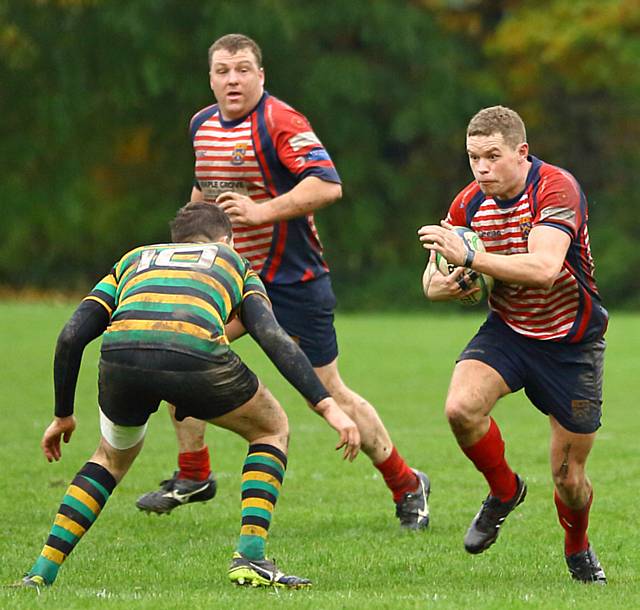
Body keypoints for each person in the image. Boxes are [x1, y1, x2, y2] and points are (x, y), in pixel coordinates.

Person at [135, 33, 431, 530]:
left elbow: (328, 184)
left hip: (293, 282)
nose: (233, 79)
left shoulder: (281, 121)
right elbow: (201, 194)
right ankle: (194, 475)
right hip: (230, 279)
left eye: (243, 69)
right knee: (176, 353)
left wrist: (259, 211)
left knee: (328, 390)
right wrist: (187, 251)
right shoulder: (201, 126)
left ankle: (407, 484)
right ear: (210, 78)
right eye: (223, 71)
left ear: (261, 75)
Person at [18, 202, 360, 590]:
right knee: (271, 429)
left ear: (176, 243)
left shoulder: (135, 259)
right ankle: (250, 557)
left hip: (120, 357)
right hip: (195, 354)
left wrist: (63, 414)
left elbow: (71, 336)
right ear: (226, 240)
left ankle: (41, 573)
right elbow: (272, 337)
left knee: (110, 459)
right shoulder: (232, 263)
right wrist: (327, 406)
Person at [417, 105, 608, 584]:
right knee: (461, 408)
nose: (481, 168)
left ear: (521, 153)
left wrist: (474, 258)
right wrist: (456, 278)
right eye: (473, 157)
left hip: (571, 343)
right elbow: (431, 284)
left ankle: (577, 547)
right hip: (509, 332)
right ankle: (504, 492)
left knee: (569, 480)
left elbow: (545, 269)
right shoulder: (468, 204)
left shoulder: (555, 188)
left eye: (492, 156)